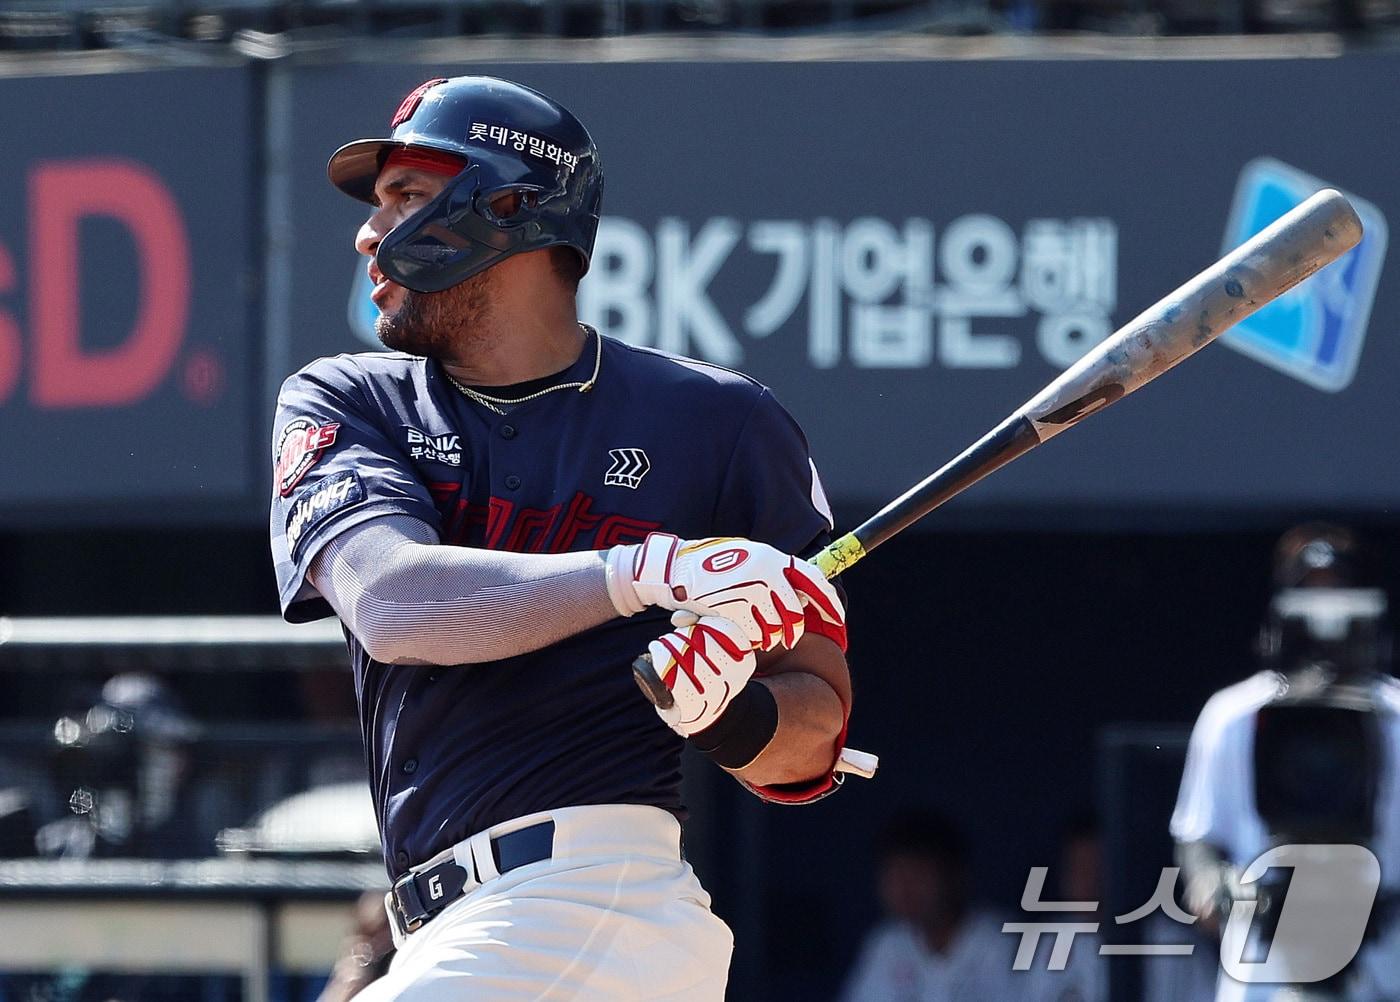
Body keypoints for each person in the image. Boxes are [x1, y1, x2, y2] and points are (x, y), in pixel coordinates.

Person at [269, 75, 869, 1001]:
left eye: (407, 195)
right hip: (444, 926)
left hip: (599, 900)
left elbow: (814, 736)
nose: (368, 231)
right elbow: (392, 604)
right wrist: (649, 571)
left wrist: (730, 713)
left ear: (508, 205)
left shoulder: (719, 424)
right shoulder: (352, 402)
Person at [1170, 523, 1400, 1002]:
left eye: (1337, 597)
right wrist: (1216, 888)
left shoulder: (1396, 714)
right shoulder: (1233, 714)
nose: (1323, 619)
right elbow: (1198, 836)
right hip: (1266, 968)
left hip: (1383, 958)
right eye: (1308, 599)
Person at [840, 811, 1016, 1002]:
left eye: (917, 874)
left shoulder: (1002, 941)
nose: (904, 889)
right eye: (894, 876)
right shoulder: (886, 944)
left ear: (954, 875)